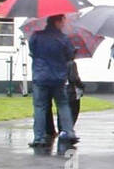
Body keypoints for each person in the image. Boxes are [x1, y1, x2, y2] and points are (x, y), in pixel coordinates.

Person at [28, 15, 77, 149]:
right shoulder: (63, 39)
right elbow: (69, 56)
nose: (64, 24)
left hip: (40, 76)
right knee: (62, 104)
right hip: (58, 77)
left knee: (40, 107)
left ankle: (39, 137)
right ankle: (69, 132)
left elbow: (32, 51)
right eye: (63, 21)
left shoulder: (36, 36)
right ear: (57, 21)